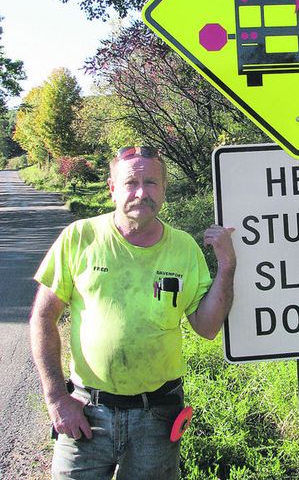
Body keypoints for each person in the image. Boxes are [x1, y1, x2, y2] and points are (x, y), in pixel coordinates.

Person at [29, 146, 236, 479]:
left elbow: (207, 326)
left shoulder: (183, 247)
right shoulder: (80, 237)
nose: (142, 193)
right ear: (112, 188)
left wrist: (227, 265)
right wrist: (56, 398)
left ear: (164, 189)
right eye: (131, 183)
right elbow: (42, 317)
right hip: (86, 411)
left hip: (157, 414)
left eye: (152, 183)